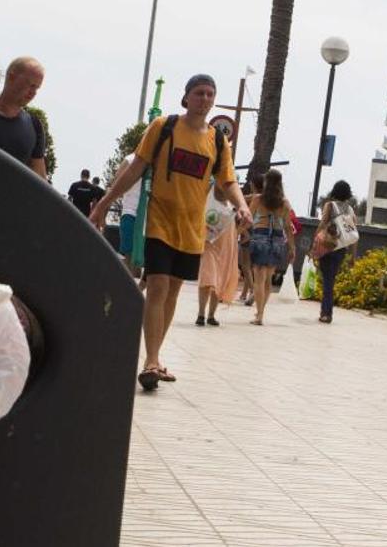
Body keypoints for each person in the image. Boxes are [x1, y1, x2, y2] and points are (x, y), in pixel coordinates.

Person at [88, 74, 251, 391]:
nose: (204, 99)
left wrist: (242, 205)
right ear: (186, 97)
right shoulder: (164, 127)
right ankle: (150, 361)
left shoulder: (217, 141)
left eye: (210, 94)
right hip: (160, 220)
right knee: (159, 285)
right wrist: (104, 203)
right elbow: (134, 169)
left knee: (173, 291)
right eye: (199, 93)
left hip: (192, 228)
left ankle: (155, 356)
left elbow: (228, 181)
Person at [247, 169, 296, 325]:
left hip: (260, 237)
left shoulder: (258, 199)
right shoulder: (285, 203)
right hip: (277, 240)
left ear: (266, 182)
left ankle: (259, 314)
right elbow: (288, 227)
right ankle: (260, 313)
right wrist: (292, 247)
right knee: (268, 280)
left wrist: (237, 232)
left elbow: (247, 219)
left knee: (258, 279)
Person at [312, 180, 357, 323]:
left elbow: (323, 223)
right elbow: (353, 233)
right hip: (341, 249)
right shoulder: (350, 210)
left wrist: (314, 243)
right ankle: (326, 312)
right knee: (330, 279)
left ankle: (326, 313)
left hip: (328, 245)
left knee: (327, 280)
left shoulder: (330, 206)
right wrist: (352, 256)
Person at [195, 184, 239, 326]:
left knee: (220, 278)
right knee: (207, 277)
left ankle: (210, 315)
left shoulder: (232, 192)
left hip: (225, 239)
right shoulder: (210, 187)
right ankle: (202, 314)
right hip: (209, 240)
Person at [237, 172, 263, 305]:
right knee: (250, 265)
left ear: (254, 184)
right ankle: (244, 293)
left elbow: (239, 197)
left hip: (248, 231)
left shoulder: (254, 197)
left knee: (245, 265)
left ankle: (252, 291)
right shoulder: (265, 198)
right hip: (259, 233)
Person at [115, 155, 143, 278]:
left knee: (133, 255)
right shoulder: (131, 159)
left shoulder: (153, 160)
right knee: (131, 253)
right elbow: (118, 180)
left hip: (140, 213)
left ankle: (132, 287)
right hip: (132, 212)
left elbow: (117, 180)